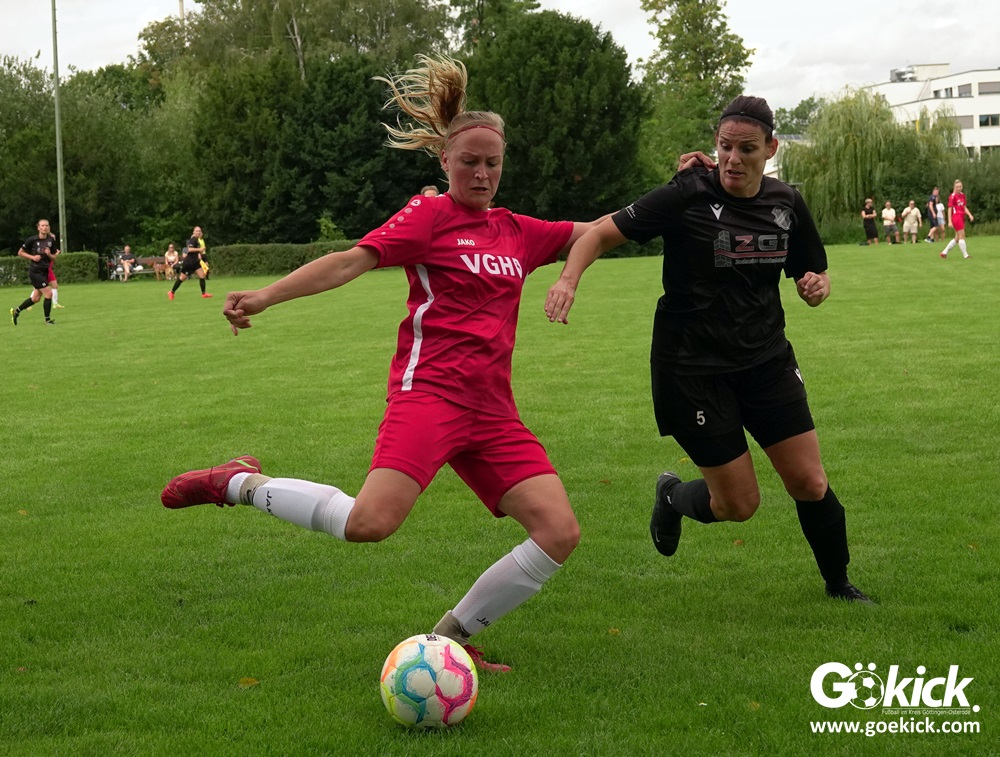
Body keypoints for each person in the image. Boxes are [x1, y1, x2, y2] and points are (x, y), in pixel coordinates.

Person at [160, 54, 608, 670]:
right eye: (469, 162)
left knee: (559, 532)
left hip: (493, 412)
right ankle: (237, 482)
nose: (482, 174)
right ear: (445, 160)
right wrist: (266, 295)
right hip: (430, 396)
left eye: (493, 163)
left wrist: (687, 190)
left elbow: (604, 230)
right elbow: (351, 260)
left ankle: (450, 641)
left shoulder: (518, 231)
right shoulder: (429, 216)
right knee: (369, 522)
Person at [544, 95, 871, 604]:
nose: (733, 159)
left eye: (747, 149)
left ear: (771, 149)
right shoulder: (686, 193)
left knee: (809, 481)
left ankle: (839, 586)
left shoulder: (786, 202)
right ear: (715, 144)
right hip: (692, 371)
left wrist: (816, 286)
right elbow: (599, 235)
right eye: (725, 146)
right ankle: (673, 496)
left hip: (766, 361)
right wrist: (568, 279)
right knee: (739, 504)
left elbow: (814, 272)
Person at [10, 218, 59, 326]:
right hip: (35, 272)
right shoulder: (32, 240)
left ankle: (16, 311)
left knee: (35, 298)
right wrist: (32, 257)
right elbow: (20, 252)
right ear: (38, 228)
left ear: (49, 227)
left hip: (44, 272)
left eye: (46, 225)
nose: (45, 227)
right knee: (49, 294)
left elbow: (54, 258)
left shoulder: (51, 240)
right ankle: (47, 320)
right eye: (42, 225)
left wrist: (49, 254)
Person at [168, 226, 212, 299]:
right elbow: (190, 249)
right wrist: (199, 249)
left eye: (199, 231)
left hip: (195, 262)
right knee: (182, 278)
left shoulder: (197, 240)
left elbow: (196, 251)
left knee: (202, 276)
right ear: (193, 232)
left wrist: (200, 252)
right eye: (197, 231)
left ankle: (204, 294)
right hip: (189, 263)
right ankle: (171, 292)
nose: (198, 232)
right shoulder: (192, 240)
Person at [940, 179, 974, 259]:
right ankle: (966, 255)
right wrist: (949, 221)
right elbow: (950, 209)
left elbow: (964, 207)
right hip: (956, 217)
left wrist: (970, 215)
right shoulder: (952, 196)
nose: (959, 188)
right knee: (962, 235)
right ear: (954, 187)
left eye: (960, 186)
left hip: (961, 216)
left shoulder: (962, 195)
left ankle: (944, 252)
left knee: (957, 238)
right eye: (957, 187)